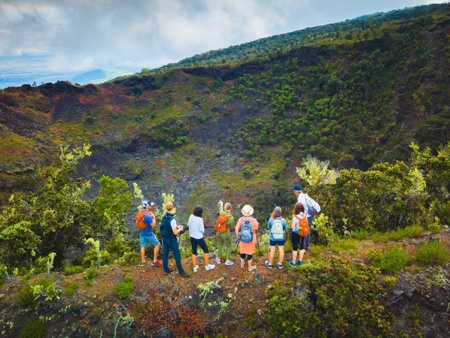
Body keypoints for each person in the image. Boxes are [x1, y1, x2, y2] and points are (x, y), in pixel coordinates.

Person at [160, 201, 190, 277]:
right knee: (177, 254)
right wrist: (180, 228)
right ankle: (181, 271)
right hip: (171, 239)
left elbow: (167, 227)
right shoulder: (172, 220)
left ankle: (166, 269)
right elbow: (175, 232)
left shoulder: (164, 217)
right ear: (172, 208)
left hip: (165, 238)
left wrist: (176, 227)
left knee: (165, 254)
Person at [292, 185, 321, 249]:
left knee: (303, 230)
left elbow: (302, 209)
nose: (294, 193)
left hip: (305, 217)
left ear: (297, 192)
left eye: (294, 191)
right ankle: (307, 245)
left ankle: (303, 246)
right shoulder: (305, 196)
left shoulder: (300, 199)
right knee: (307, 230)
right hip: (310, 216)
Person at [188, 205, 215, 272]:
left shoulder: (191, 216)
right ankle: (207, 266)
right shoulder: (200, 220)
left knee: (194, 251)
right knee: (206, 250)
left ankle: (195, 267)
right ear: (200, 213)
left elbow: (188, 224)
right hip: (199, 238)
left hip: (192, 237)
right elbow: (202, 230)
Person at [138, 200, 162, 267]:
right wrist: (154, 217)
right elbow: (153, 225)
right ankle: (154, 261)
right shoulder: (148, 216)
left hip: (141, 233)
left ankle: (143, 260)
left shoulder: (140, 213)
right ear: (147, 206)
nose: (151, 206)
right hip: (148, 234)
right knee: (157, 245)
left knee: (142, 246)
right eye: (150, 205)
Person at [235, 204, 259, 272]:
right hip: (251, 239)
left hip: (242, 239)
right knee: (250, 253)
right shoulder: (253, 220)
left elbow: (236, 228)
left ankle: (242, 265)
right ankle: (250, 267)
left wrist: (238, 237)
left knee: (242, 251)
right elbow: (256, 228)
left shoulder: (241, 219)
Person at [216, 200, 235, 266]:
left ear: (225, 208)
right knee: (228, 246)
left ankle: (218, 259)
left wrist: (221, 204)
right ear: (231, 208)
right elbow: (232, 227)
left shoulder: (221, 213)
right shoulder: (231, 217)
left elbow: (220, 209)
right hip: (226, 233)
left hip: (219, 232)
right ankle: (227, 260)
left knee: (220, 245)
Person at [290, 202, 307, 267]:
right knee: (302, 247)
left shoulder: (296, 217)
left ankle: (293, 263)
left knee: (295, 247)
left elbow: (293, 226)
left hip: (296, 233)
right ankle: (300, 262)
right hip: (303, 233)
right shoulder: (305, 215)